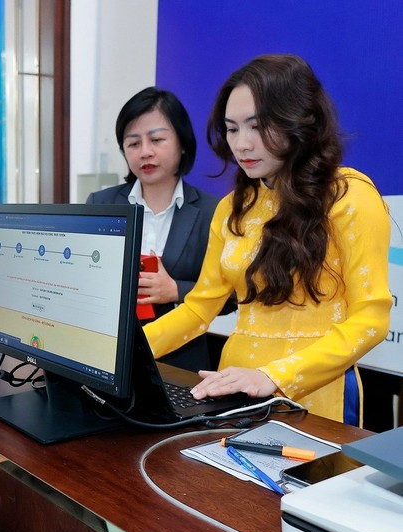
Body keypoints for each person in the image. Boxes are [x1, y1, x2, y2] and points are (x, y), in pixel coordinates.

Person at [143, 54, 392, 425]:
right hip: (232, 389)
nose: (241, 144)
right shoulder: (232, 208)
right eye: (231, 129)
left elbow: (371, 318)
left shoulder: (348, 196)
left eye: (257, 127)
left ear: (298, 120)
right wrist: (123, 352)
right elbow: (198, 310)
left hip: (314, 394)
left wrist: (273, 376)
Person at [87, 87, 233, 372]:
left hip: (182, 363)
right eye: (133, 143)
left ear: (182, 144)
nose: (145, 152)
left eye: (156, 140)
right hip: (110, 355)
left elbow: (232, 298)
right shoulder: (101, 204)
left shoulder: (213, 211)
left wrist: (176, 290)